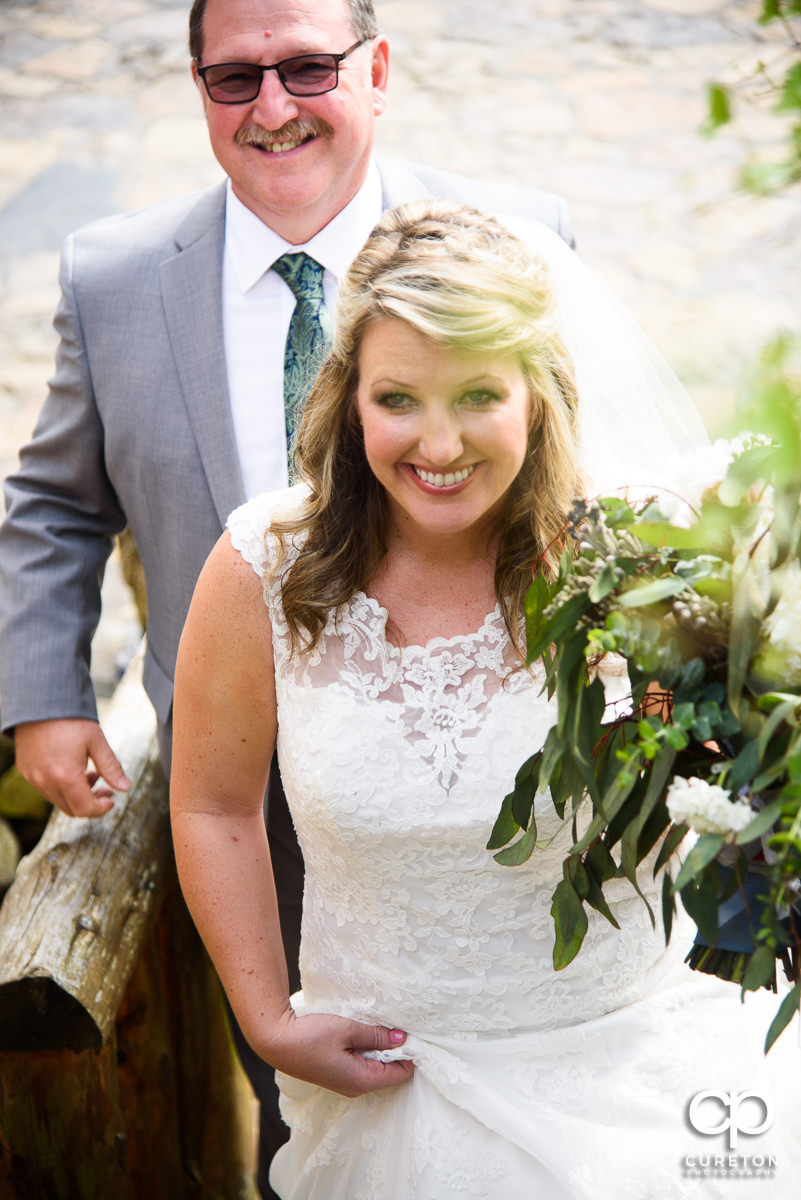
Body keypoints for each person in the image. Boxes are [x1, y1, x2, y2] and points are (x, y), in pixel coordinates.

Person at [0, 1, 575, 1192]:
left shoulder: (521, 244)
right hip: (244, 803)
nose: (272, 107)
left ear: (376, 70)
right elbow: (54, 505)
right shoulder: (111, 279)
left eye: (308, 67)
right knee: (312, 1119)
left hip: (510, 798)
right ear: (198, 86)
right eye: (233, 78)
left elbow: (579, 482)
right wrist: (44, 693)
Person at [170, 199, 800, 1200]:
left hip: (623, 1085)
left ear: (537, 394)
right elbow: (211, 802)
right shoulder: (264, 566)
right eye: (399, 400)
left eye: (477, 395)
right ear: (351, 397)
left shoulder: (639, 554)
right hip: (387, 1094)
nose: (440, 443)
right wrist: (267, 1021)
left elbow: (750, 764)